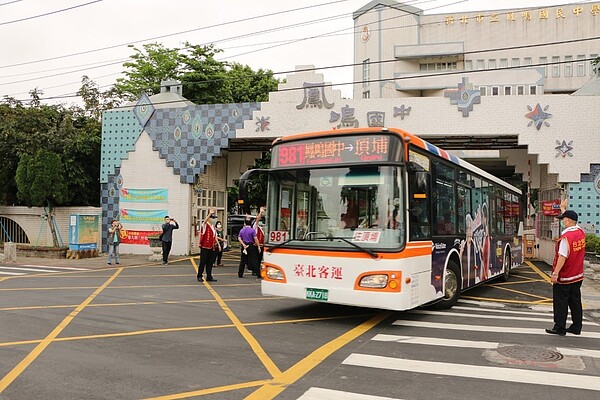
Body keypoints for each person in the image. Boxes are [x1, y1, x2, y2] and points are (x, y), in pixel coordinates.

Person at [545, 202, 586, 336]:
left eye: (563, 219)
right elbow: (571, 218)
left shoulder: (565, 238)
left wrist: (555, 273)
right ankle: (576, 326)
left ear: (568, 221)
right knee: (575, 301)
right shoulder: (580, 232)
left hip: (566, 276)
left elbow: (562, 256)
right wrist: (563, 209)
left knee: (561, 302)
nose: (562, 222)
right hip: (577, 275)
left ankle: (560, 327)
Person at [197, 209, 220, 282]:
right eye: (212, 218)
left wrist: (218, 245)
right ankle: (199, 275)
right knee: (203, 262)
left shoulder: (213, 227)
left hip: (212, 247)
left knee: (210, 263)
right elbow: (204, 221)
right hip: (205, 247)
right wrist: (209, 214)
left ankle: (209, 276)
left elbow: (215, 236)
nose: (213, 220)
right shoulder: (205, 226)